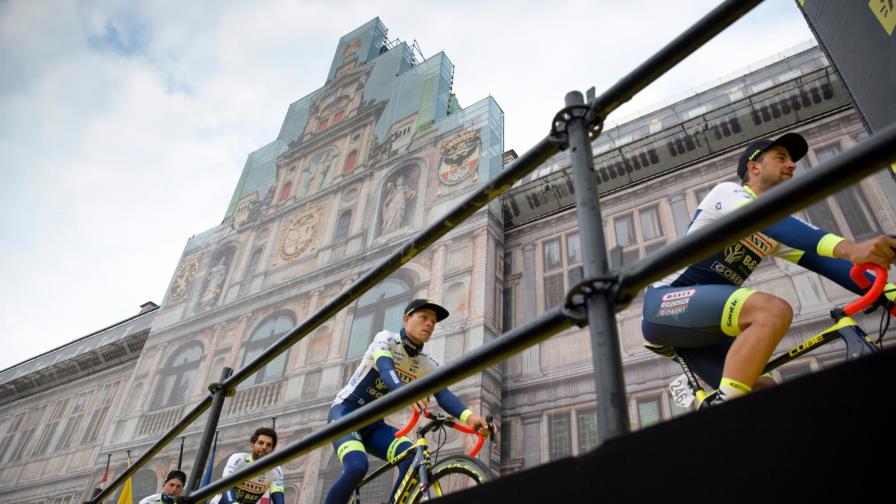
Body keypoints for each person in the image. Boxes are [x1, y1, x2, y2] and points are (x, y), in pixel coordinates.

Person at [642, 132, 896, 404]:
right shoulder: (728, 193)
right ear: (754, 167)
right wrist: (852, 248)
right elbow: (770, 221)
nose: (792, 165)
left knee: (764, 395)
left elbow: (827, 263)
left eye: (792, 160)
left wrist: (889, 292)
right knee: (772, 311)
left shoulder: (777, 227)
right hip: (665, 303)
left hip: (700, 331)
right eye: (781, 158)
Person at [324, 299, 492, 504]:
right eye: (423, 317)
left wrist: (470, 417)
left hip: (374, 426)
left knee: (413, 459)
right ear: (406, 319)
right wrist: (409, 394)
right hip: (346, 414)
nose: (429, 324)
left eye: (433, 321)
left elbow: (443, 394)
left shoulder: (426, 363)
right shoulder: (385, 339)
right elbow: (387, 372)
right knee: (357, 467)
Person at [210, 427, 285, 504]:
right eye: (261, 443)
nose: (264, 447)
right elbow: (226, 485)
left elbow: (279, 500)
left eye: (269, 445)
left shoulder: (276, 471)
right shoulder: (238, 459)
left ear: (272, 450)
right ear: (252, 445)